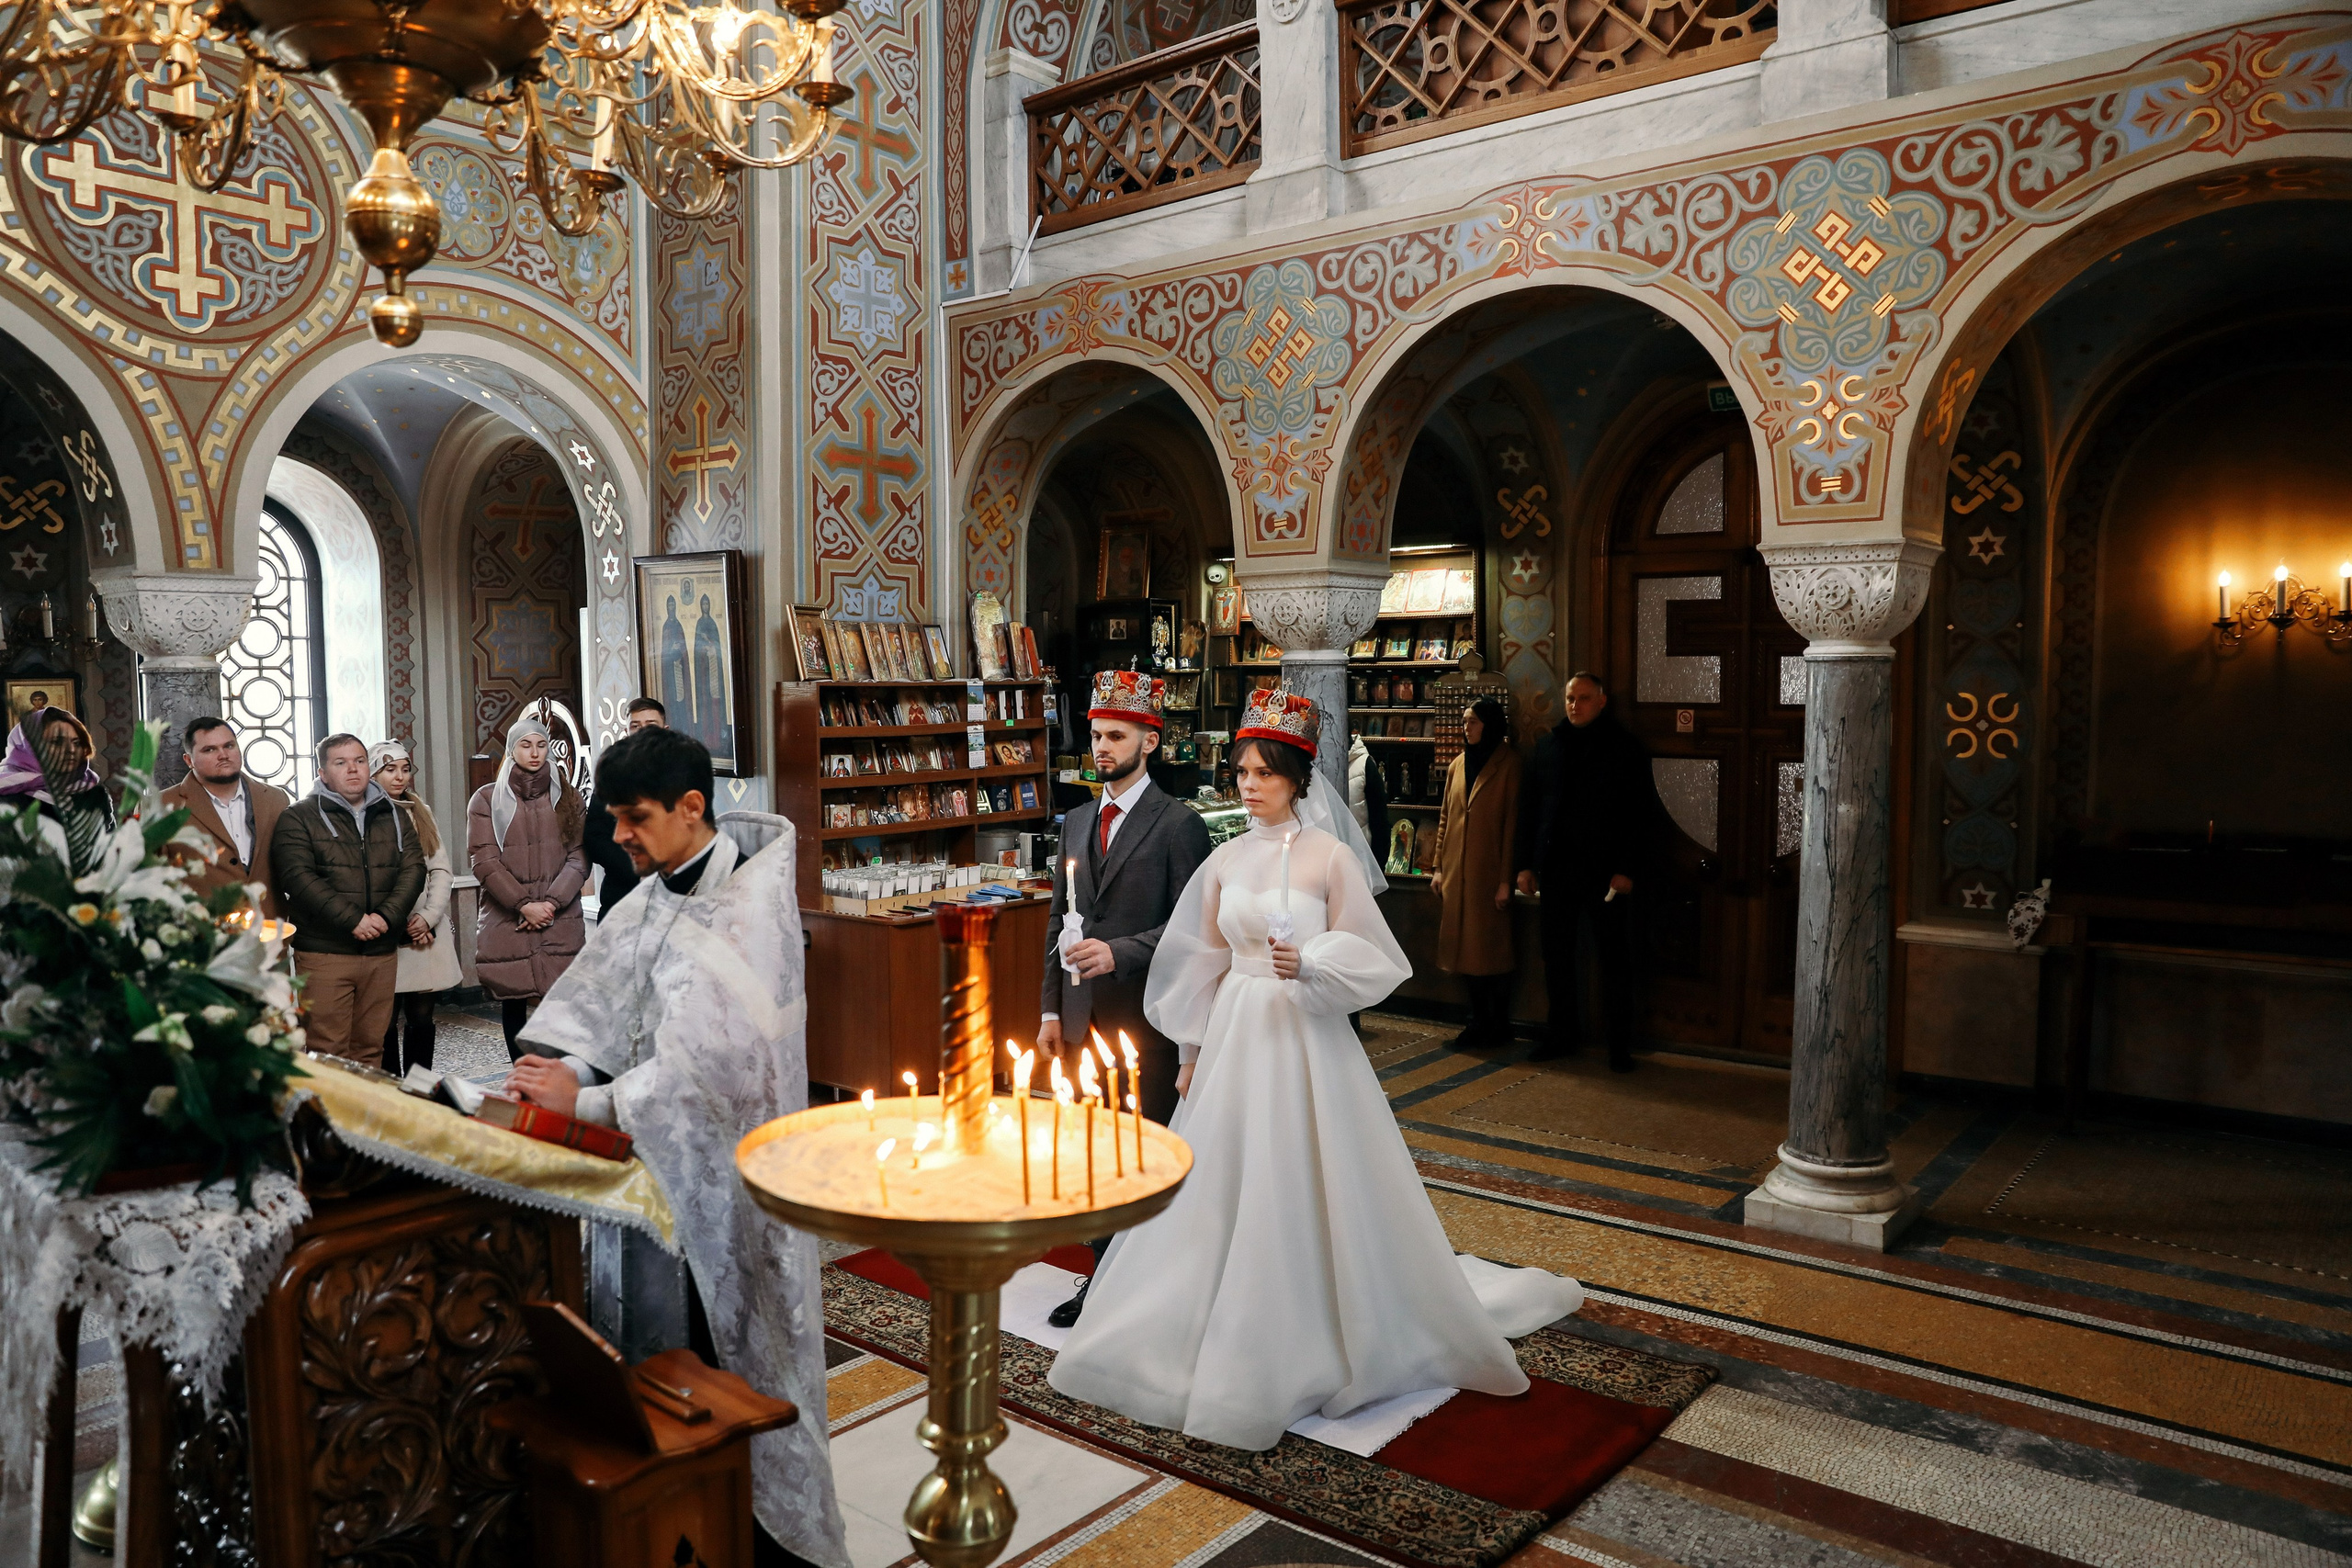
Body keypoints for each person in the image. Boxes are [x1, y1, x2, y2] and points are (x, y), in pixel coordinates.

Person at [1048, 686, 1582, 1450]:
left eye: (1265, 772)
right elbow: (1198, 960)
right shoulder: (1225, 859)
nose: (1250, 785)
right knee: (1224, 1179)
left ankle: (1323, 1315)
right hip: (1236, 1031)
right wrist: (1191, 1053)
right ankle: (1211, 1311)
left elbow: (1373, 952)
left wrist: (1313, 962)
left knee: (1305, 1170)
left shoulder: (1330, 857)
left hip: (1304, 1037)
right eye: (1242, 772)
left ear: (1298, 778)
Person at [504, 727, 848, 1568]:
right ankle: (669, 1523)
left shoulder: (749, 909)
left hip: (728, 1188)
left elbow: (712, 1069)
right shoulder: (654, 892)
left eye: (636, 818)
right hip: (649, 1166)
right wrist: (568, 1066)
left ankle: (747, 1535)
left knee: (726, 1359)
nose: (619, 835)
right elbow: (607, 1006)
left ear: (692, 807)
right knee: (653, 1361)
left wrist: (589, 1099)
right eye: (615, 817)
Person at [1038, 669, 1213, 1327]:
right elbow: (1057, 922)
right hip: (1081, 1021)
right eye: (1096, 735)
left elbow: (1194, 929)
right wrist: (1050, 1009)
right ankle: (1101, 1279)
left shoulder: (1179, 825)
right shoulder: (1078, 820)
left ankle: (1152, 1286)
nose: (1102, 747)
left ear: (1151, 741)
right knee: (1094, 1157)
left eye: (1116, 735)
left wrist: (1122, 951)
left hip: (1148, 1022)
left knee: (1144, 1157)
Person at [1514, 672, 1664, 1071]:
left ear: (1601, 701)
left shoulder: (1624, 748)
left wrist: (1627, 869)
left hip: (1605, 873)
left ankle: (1619, 1045)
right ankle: (1561, 1034)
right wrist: (1524, 865)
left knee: (1614, 959)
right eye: (1569, 698)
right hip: (1557, 870)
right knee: (1556, 957)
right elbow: (1530, 810)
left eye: (1583, 698)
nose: (1574, 705)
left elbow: (1640, 815)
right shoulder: (1548, 746)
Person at [270, 732, 425, 1062]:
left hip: (380, 950)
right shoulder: (298, 817)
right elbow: (298, 878)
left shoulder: (394, 814)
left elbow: (413, 870)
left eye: (359, 761)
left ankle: (366, 1100)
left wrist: (386, 917)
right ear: (323, 773)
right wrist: (353, 919)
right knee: (328, 1051)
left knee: (372, 1048)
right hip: (326, 952)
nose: (353, 769)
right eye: (341, 763)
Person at [467, 711, 588, 1057]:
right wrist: (523, 905)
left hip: (559, 916)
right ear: (512, 750)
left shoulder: (568, 797)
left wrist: (550, 903)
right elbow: (484, 860)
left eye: (541, 745)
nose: (534, 753)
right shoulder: (486, 799)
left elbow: (579, 857)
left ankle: (558, 1078)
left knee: (561, 1005)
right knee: (514, 1001)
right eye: (525, 745)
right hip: (507, 917)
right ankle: (521, 1073)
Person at [1431, 699, 1521, 1051]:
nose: (1466, 728)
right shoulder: (1458, 764)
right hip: (1457, 872)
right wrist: (1438, 867)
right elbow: (1445, 817)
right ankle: (1477, 1020)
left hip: (1488, 874)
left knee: (1490, 953)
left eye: (1473, 722)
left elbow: (1512, 826)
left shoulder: (1509, 764)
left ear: (1490, 725)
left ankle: (1496, 1024)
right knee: (1463, 953)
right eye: (1464, 722)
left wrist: (1505, 880)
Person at [370, 740, 460, 1077]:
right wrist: (399, 922)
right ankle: (392, 1089)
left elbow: (440, 869)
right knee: (383, 1020)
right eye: (390, 769)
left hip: (425, 932)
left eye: (405, 769)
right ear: (373, 773)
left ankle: (419, 1088)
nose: (399, 777)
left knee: (422, 1017)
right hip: (388, 932)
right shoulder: (364, 813)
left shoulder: (420, 810)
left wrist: (428, 917)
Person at [159, 716, 289, 918]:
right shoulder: (163, 805)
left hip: (269, 926)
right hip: (201, 928)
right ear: (189, 761)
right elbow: (150, 877)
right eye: (209, 750)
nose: (223, 755)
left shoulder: (275, 798)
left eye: (229, 746)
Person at [582, 697, 667, 915]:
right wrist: (638, 869)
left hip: (671, 897)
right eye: (635, 726)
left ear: (665, 730)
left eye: (650, 725)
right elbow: (595, 836)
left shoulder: (684, 772)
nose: (642, 732)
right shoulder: (612, 773)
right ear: (627, 731)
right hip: (621, 896)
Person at [0, 705, 114, 857]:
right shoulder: (7, 796)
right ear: (29, 747)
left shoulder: (94, 794)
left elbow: (113, 851)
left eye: (77, 743)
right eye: (57, 742)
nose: (71, 750)